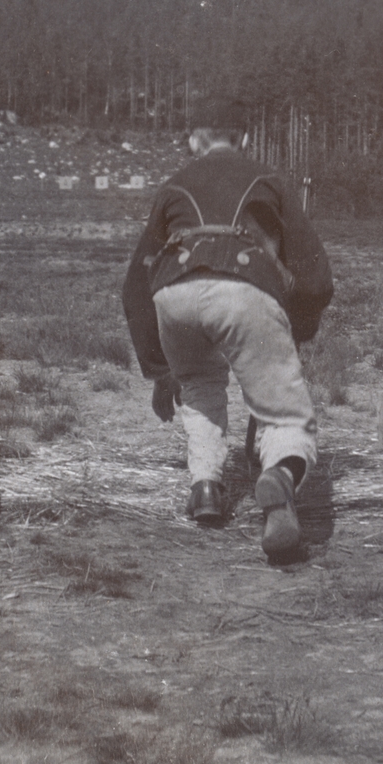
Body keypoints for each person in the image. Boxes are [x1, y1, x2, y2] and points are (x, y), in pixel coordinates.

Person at [122, 98, 333, 559]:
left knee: (197, 384)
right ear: (246, 138)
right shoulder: (268, 179)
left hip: (173, 292)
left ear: (195, 140)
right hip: (244, 284)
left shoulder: (173, 185)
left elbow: (135, 285)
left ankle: (205, 489)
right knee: (284, 414)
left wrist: (160, 370)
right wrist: (294, 329)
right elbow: (315, 277)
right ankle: (278, 477)